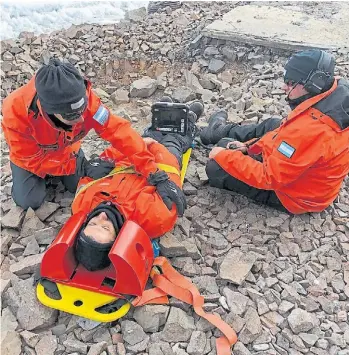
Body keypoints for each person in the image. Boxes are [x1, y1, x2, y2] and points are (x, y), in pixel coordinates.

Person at [1, 59, 183, 215]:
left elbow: (120, 132)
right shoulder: (16, 112)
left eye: (82, 111)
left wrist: (155, 173)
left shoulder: (88, 102)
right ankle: (45, 178)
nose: (81, 118)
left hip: (66, 151)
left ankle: (157, 132)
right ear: (49, 111)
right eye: (72, 117)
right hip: (30, 160)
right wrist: (81, 166)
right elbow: (31, 159)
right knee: (29, 200)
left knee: (78, 185)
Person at [201, 49, 349, 214]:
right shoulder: (335, 90)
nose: (284, 87)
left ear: (313, 83)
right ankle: (218, 131)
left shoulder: (308, 131)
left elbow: (269, 177)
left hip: (298, 197)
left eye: (291, 82)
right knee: (272, 124)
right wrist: (250, 147)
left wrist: (222, 155)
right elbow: (287, 135)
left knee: (216, 168)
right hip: (311, 176)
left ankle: (217, 135)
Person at [72, 97, 204, 271]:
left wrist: (113, 156)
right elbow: (171, 176)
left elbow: (95, 171)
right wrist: (155, 150)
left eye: (92, 224)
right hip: (162, 163)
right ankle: (189, 120)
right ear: (118, 237)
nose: (101, 217)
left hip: (129, 159)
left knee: (149, 134)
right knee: (174, 140)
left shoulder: (82, 204)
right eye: (105, 227)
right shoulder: (153, 219)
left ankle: (163, 118)